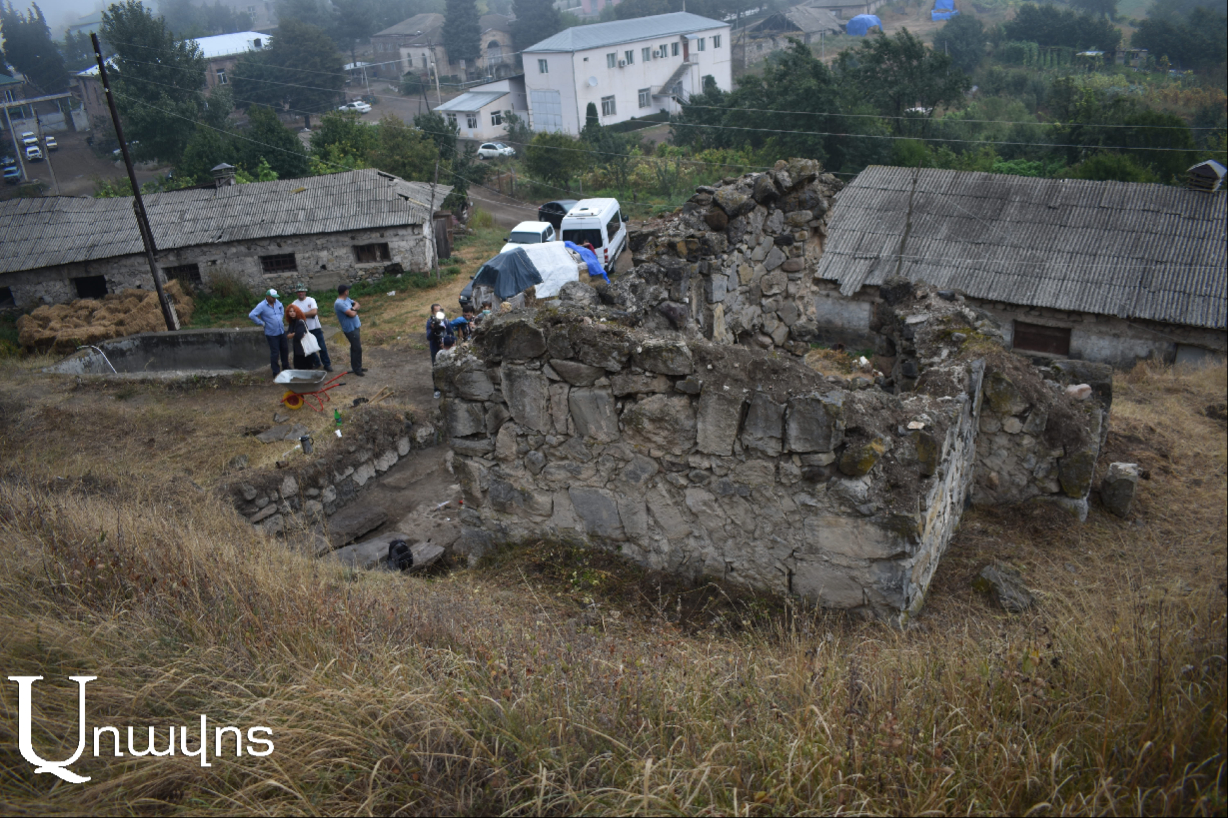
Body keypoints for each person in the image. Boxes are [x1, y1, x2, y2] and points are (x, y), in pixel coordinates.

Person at [249, 288, 289, 377]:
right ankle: (276, 371)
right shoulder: (261, 305)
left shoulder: (277, 302)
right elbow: (252, 315)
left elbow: (281, 307)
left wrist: (280, 316)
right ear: (267, 297)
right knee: (275, 353)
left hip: (281, 331)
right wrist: (261, 323)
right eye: (273, 297)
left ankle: (286, 368)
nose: (275, 299)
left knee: (285, 350)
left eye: (275, 297)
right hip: (271, 334)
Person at [292, 283, 332, 372]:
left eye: (302, 291)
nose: (300, 293)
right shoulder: (294, 304)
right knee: (309, 348)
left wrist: (300, 314)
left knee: (322, 346)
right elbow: (293, 316)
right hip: (303, 329)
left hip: (315, 327)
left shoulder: (311, 300)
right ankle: (317, 362)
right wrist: (307, 314)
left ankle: (327, 364)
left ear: (305, 291)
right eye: (298, 292)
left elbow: (314, 312)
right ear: (296, 293)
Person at [334, 284, 366, 376]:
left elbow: (357, 304)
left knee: (355, 347)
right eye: (347, 290)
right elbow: (351, 314)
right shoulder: (339, 303)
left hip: (355, 326)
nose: (348, 291)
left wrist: (353, 309)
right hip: (350, 329)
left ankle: (357, 367)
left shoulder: (346, 299)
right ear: (345, 292)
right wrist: (353, 311)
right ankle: (357, 369)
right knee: (357, 348)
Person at [286, 304, 320, 370]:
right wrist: (293, 334)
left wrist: (292, 335)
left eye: (294, 311)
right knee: (300, 366)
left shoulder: (300, 322)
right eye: (290, 311)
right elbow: (288, 334)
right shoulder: (292, 322)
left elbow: (299, 335)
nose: (292, 313)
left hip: (303, 348)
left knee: (306, 365)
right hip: (297, 348)